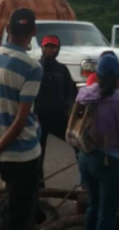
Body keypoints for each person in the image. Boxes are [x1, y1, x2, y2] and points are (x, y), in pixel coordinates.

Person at [0, 8, 42, 230]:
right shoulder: (32, 67)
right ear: (33, 32)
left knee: (13, 206)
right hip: (24, 156)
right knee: (22, 217)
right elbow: (20, 123)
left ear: (7, 29)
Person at [76, 54, 119, 230]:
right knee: (108, 213)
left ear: (98, 75)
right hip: (111, 162)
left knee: (93, 205)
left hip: (86, 156)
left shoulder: (84, 94)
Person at [35, 35, 77, 188]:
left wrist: (68, 107)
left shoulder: (62, 69)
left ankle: (84, 183)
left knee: (78, 144)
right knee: (38, 155)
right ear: (42, 48)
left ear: (57, 49)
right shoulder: (36, 68)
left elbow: (71, 91)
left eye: (53, 47)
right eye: (47, 46)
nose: (49, 49)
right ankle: (38, 188)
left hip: (59, 117)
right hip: (39, 118)